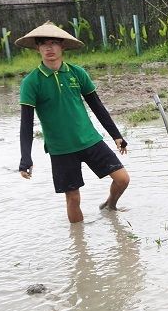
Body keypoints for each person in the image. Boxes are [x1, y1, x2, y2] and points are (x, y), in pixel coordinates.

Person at [16, 21, 130, 223]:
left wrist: (116, 135)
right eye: (44, 44)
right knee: (73, 197)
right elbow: (26, 124)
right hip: (61, 149)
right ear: (37, 48)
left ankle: (110, 205)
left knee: (122, 179)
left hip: (90, 139)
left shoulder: (77, 73)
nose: (49, 48)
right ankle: (80, 247)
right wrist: (26, 158)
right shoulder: (31, 82)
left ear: (63, 46)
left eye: (54, 43)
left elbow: (97, 106)